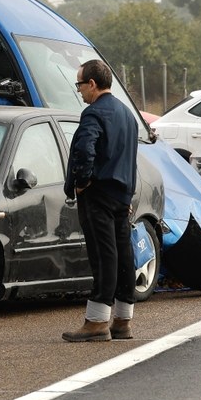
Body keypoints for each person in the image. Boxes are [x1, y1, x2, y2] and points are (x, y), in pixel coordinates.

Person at [63, 59, 138, 342]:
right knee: (123, 255)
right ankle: (123, 320)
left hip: (99, 195)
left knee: (102, 256)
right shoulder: (127, 114)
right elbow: (130, 155)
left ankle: (96, 322)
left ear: (92, 84)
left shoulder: (93, 113)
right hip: (122, 195)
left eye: (80, 85)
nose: (79, 91)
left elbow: (85, 148)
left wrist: (82, 182)